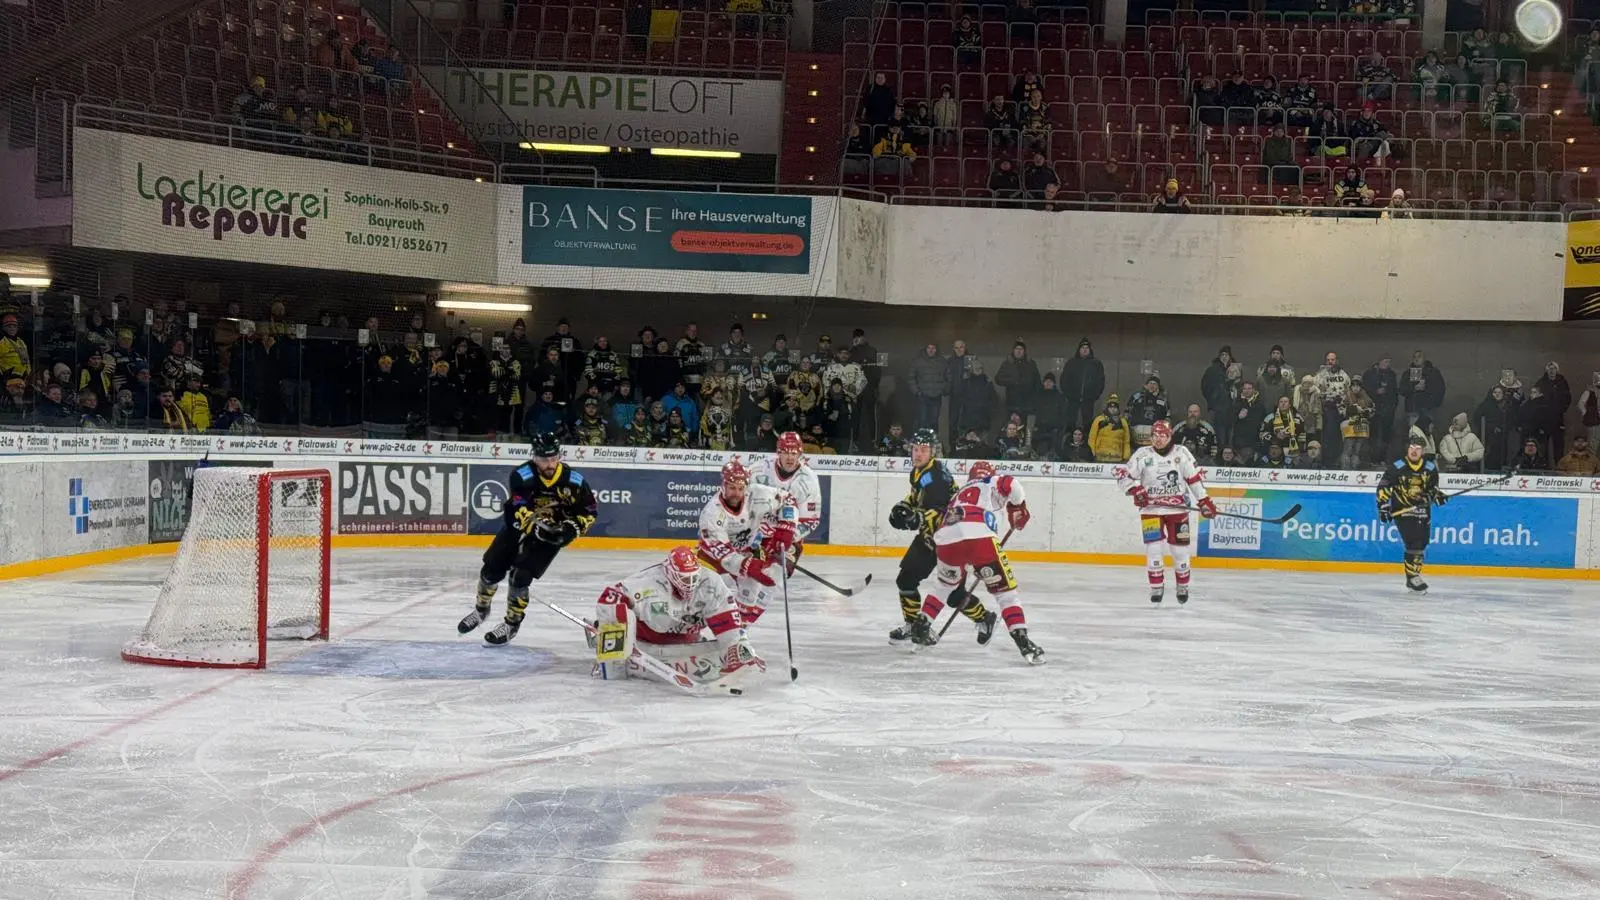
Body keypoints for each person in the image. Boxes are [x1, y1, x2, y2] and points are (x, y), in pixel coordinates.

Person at [460, 432, 599, 645]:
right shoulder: (522, 475)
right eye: (544, 460)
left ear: (559, 456)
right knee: (490, 571)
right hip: (517, 528)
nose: (549, 464)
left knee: (520, 577)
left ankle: (512, 624)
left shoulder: (575, 482)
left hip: (550, 536)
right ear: (534, 457)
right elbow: (518, 505)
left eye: (553, 458)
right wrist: (533, 526)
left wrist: (568, 531)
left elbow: (589, 511)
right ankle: (481, 610)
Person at [908, 461, 1042, 664]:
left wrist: (973, 563)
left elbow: (960, 530)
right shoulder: (992, 481)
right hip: (980, 538)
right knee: (1005, 594)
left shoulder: (958, 495)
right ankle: (1023, 641)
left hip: (946, 539)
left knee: (944, 586)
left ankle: (922, 624)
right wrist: (1018, 506)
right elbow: (1012, 483)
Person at [592, 546, 764, 687]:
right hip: (647, 642)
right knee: (617, 614)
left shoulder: (711, 583)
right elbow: (610, 597)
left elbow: (727, 621)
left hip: (685, 641)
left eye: (692, 578)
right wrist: (613, 628)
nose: (689, 585)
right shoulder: (647, 581)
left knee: (734, 649)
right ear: (669, 572)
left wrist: (737, 645)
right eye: (683, 578)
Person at [1115, 420, 1218, 604]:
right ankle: (1156, 587)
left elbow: (1193, 479)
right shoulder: (1142, 454)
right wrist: (1135, 491)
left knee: (1179, 550)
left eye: (1163, 436)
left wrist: (1204, 500)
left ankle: (1182, 585)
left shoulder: (1182, 453)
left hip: (1177, 510)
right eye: (1155, 435)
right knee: (1153, 548)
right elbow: (1123, 478)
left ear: (1170, 436)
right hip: (1151, 510)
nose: (1158, 440)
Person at [886, 430, 972, 646]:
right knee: (905, 580)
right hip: (929, 537)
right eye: (915, 449)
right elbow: (917, 497)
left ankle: (985, 618)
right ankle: (913, 626)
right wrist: (904, 507)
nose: (918, 454)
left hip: (948, 540)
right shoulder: (920, 471)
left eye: (923, 450)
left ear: (932, 452)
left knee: (954, 594)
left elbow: (943, 511)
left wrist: (916, 519)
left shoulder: (937, 477)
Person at [697, 460, 799, 627]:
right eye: (732, 488)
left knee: (750, 593)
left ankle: (735, 635)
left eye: (740, 488)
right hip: (712, 556)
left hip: (745, 551)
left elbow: (788, 500)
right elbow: (725, 556)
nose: (736, 493)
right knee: (702, 593)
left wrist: (785, 531)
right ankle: (692, 628)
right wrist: (750, 566)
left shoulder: (758, 494)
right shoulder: (711, 514)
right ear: (723, 486)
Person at [1376, 435, 1447, 593]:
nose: (1414, 451)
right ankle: (1413, 577)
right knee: (1413, 542)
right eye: (1412, 448)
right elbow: (1384, 487)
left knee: (1422, 543)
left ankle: (1412, 577)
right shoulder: (1397, 467)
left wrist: (1438, 496)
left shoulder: (1430, 468)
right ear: (1407, 449)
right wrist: (1383, 506)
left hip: (1422, 511)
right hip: (1404, 511)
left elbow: (1432, 489)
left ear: (1423, 451)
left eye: (1418, 449)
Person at [751, 431, 822, 572]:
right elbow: (744, 501)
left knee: (778, 573)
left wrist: (784, 538)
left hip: (788, 533)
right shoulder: (759, 470)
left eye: (794, 453)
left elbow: (810, 520)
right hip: (758, 530)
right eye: (786, 453)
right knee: (754, 569)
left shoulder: (809, 480)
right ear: (778, 452)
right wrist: (755, 531)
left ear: (800, 454)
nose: (790, 458)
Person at [1059, 337, 1105, 434]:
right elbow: (1064, 380)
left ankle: (1085, 444)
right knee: (1070, 423)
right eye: (1082, 347)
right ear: (1079, 350)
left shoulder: (1096, 364)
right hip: (1072, 400)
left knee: (1087, 424)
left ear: (1090, 350)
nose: (1084, 350)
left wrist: (1093, 396)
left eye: (1086, 348)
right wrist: (1069, 395)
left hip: (1088, 400)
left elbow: (1100, 382)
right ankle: (1068, 443)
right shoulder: (1071, 363)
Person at [1089, 394, 1132, 462]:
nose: (1113, 409)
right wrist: (1091, 453)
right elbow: (1092, 438)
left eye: (1115, 408)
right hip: (1100, 456)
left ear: (1118, 409)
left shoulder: (1123, 421)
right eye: (1110, 407)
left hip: (1117, 457)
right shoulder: (1099, 419)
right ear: (1107, 408)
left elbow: (1126, 441)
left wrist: (1126, 456)